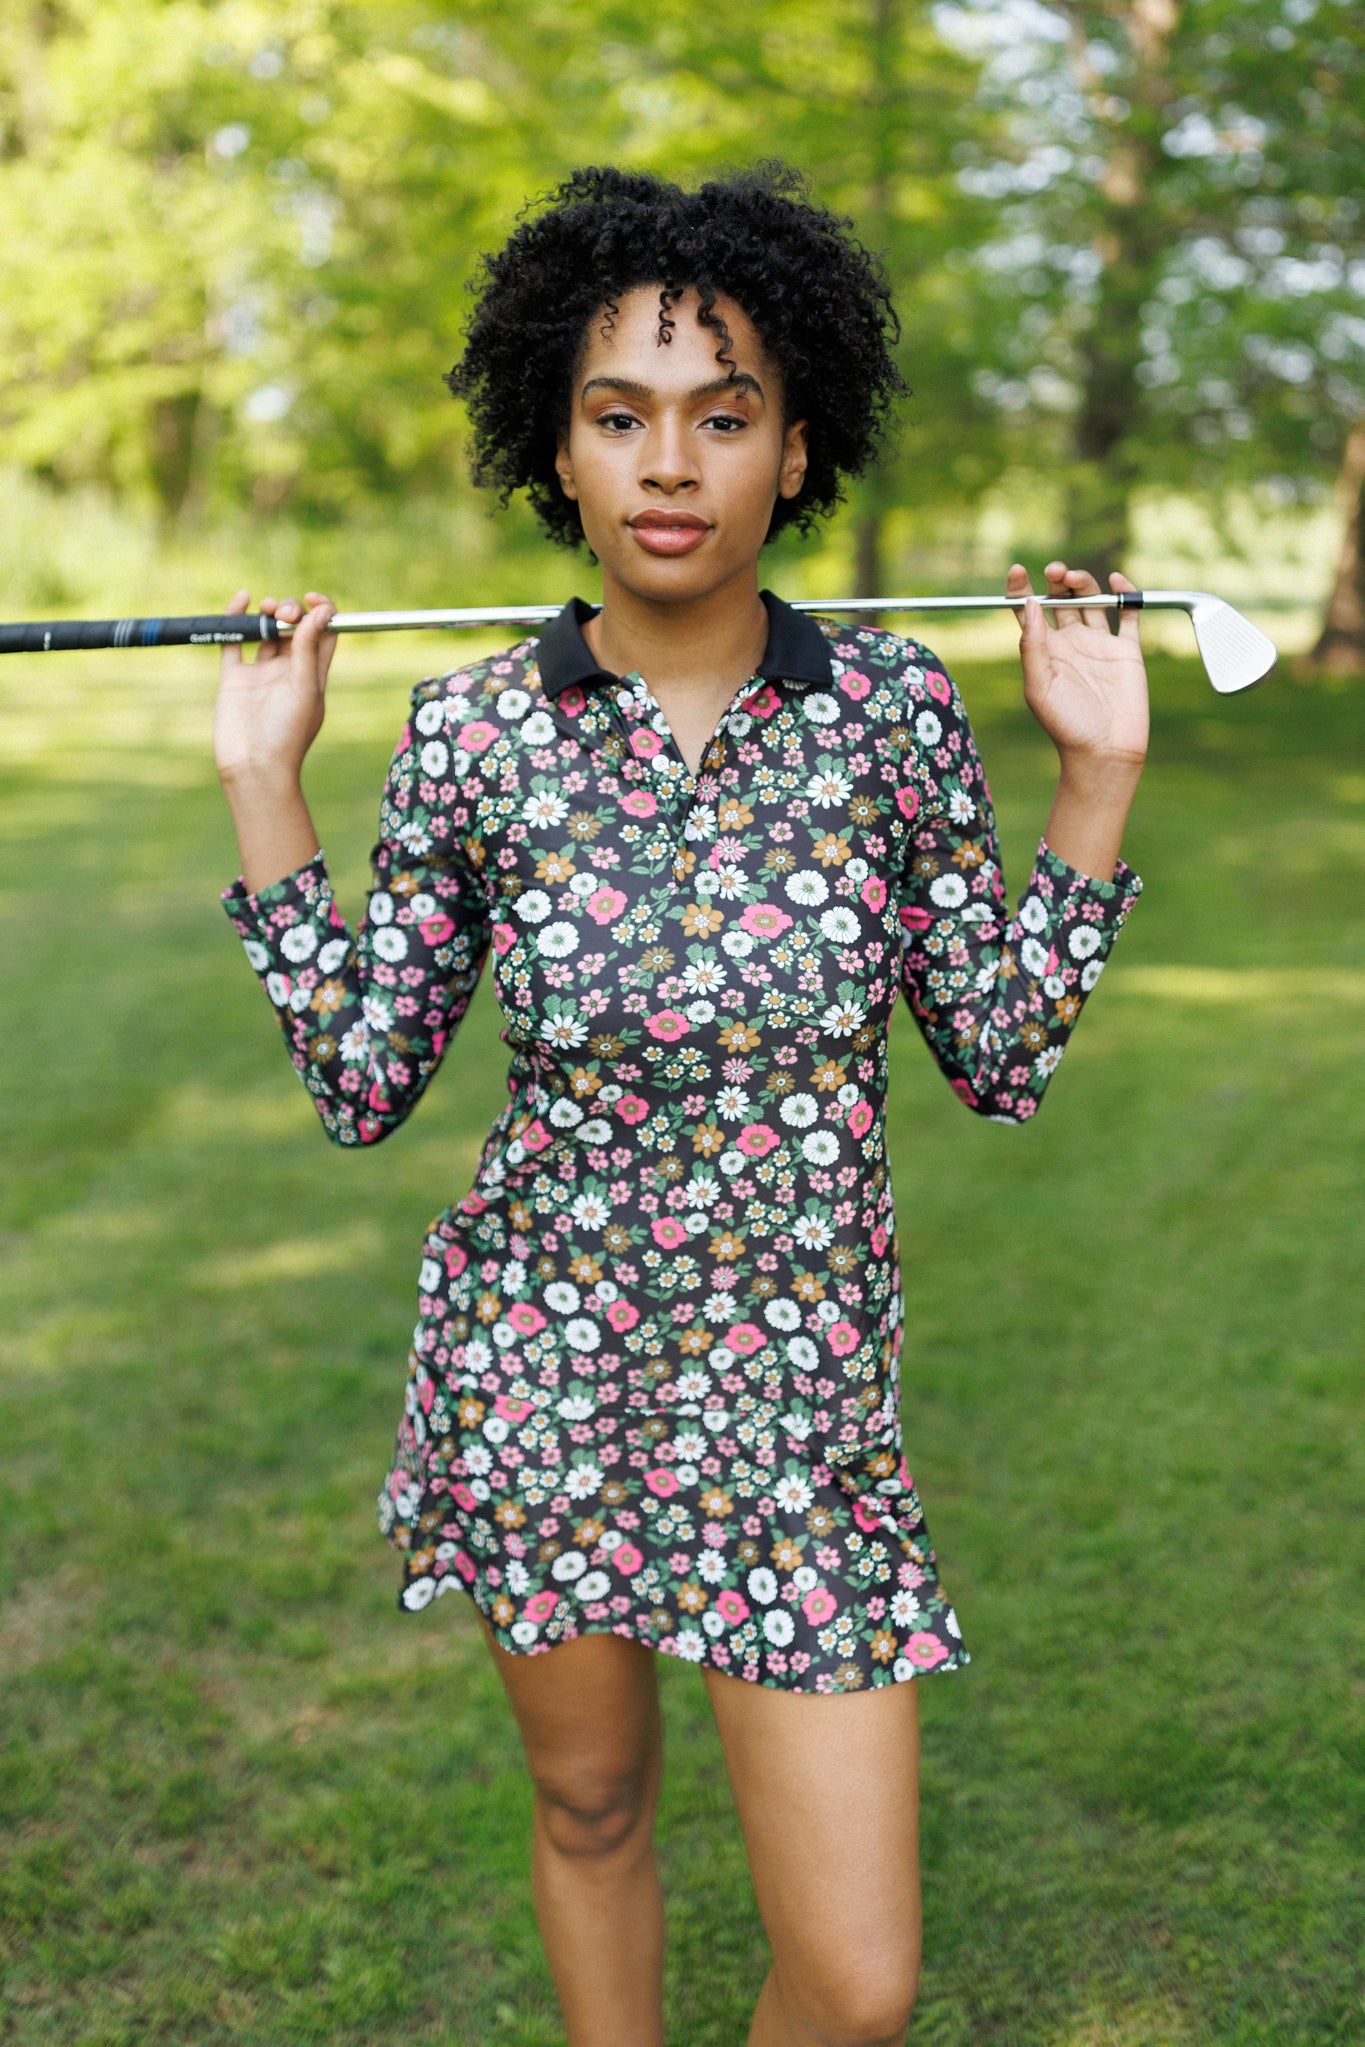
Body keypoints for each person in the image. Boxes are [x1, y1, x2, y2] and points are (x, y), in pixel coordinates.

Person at [214, 164, 1147, 2047]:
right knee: (589, 1803)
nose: (668, 465)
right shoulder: (476, 732)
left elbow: (999, 1053)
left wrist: (1097, 778)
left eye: (722, 418)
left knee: (860, 1986)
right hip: (542, 1366)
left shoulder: (888, 715)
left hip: (795, 1395)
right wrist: (264, 780)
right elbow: (367, 1077)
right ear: (554, 450)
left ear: (796, 453)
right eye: (618, 416)